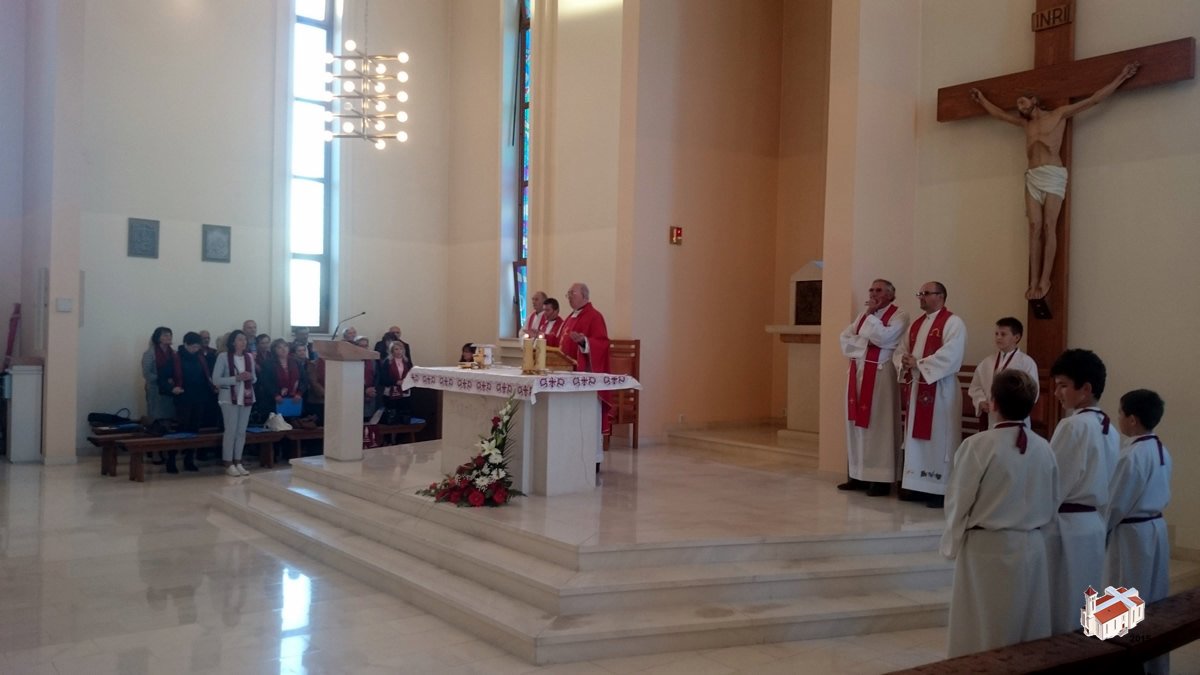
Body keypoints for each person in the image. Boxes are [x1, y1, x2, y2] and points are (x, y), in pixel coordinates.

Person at [970, 62, 1140, 300]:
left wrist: (1120, 77)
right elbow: (999, 115)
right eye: (1018, 104)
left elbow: (1093, 100)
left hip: (1053, 174)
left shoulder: (1059, 114)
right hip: (1032, 177)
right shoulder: (1025, 124)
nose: (1019, 106)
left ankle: (1045, 279)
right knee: (1034, 227)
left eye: (1022, 101)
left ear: (1034, 100)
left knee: (1050, 226)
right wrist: (982, 100)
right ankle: (1033, 280)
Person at [942, 370, 1058, 657]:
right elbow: (1053, 501)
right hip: (1031, 547)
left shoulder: (978, 446)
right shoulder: (1044, 448)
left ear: (992, 402)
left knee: (985, 628)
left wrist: (951, 542)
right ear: (1032, 405)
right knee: (1026, 629)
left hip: (987, 550)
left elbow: (959, 499)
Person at [1044, 348, 1119, 635]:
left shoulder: (1073, 425)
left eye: (1063, 385)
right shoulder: (1109, 428)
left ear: (1086, 389)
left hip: (1067, 528)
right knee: (1085, 602)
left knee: (1062, 606)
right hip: (1093, 525)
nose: (1057, 393)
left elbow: (1054, 483)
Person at [1105, 389, 1171, 675]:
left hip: (1131, 536)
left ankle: (1123, 665)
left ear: (1132, 419)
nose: (1118, 418)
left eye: (1120, 413)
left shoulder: (1131, 456)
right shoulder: (1161, 449)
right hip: (1155, 529)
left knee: (1123, 596)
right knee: (1153, 599)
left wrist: (1101, 530)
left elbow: (1115, 504)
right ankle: (1153, 665)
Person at [893, 281, 966, 508]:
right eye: (920, 293)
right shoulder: (916, 325)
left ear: (940, 296)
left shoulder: (953, 322)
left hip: (941, 390)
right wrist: (904, 361)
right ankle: (917, 485)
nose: (921, 297)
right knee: (916, 439)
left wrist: (920, 363)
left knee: (940, 438)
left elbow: (952, 354)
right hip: (918, 388)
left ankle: (940, 489)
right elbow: (901, 350)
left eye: (925, 293)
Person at [838, 279, 909, 497]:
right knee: (856, 425)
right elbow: (844, 340)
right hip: (858, 374)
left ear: (891, 295)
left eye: (879, 290)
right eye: (871, 289)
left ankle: (880, 479)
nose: (873, 293)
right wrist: (867, 339)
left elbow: (884, 337)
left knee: (879, 425)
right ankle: (858, 475)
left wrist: (867, 333)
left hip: (880, 375)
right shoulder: (863, 315)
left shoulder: (899, 315)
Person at [559, 282, 611, 461]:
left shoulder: (594, 316)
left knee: (587, 420)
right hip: (566, 373)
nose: (569, 297)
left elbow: (602, 344)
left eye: (572, 293)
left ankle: (591, 459)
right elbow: (560, 342)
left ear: (585, 296)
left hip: (585, 379)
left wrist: (584, 342)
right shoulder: (570, 317)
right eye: (568, 294)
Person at [967, 317, 1040, 429]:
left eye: (1003, 334)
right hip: (992, 416)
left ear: (1016, 337)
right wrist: (980, 401)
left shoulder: (1026, 363)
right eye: (996, 334)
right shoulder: (986, 362)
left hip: (1015, 418)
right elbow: (975, 387)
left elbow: (1033, 392)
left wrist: (1010, 407)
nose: (998, 337)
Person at [211, 330, 257, 477]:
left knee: (241, 431)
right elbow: (216, 379)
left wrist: (249, 377)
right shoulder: (223, 357)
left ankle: (238, 461)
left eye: (244, 339)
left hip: (247, 397)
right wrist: (236, 378)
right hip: (229, 398)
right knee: (231, 430)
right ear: (232, 342)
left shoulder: (249, 357)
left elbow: (254, 378)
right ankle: (228, 462)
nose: (243, 342)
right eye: (239, 339)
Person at [172, 332, 209, 472]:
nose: (195, 349)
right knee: (181, 428)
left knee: (194, 429)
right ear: (185, 344)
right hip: (183, 398)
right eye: (193, 346)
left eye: (197, 347)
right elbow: (165, 377)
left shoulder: (200, 358)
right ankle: (171, 459)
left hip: (198, 397)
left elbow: (205, 376)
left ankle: (189, 459)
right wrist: (172, 388)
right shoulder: (176, 357)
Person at [141, 327, 182, 421]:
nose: (169, 337)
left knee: (169, 416)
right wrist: (163, 379)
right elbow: (147, 374)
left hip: (170, 389)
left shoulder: (174, 353)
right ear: (158, 338)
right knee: (157, 417)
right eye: (165, 335)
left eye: (170, 335)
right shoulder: (149, 353)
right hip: (155, 389)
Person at [258, 338, 306, 419]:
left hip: (294, 398)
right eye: (279, 347)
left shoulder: (296, 362)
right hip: (273, 400)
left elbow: (304, 379)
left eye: (285, 346)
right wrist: (275, 394)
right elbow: (266, 382)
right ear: (274, 350)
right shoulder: (268, 363)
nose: (283, 349)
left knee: (292, 422)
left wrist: (299, 393)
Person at [377, 341, 413, 424]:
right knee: (392, 415)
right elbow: (383, 378)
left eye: (401, 349)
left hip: (404, 391)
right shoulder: (387, 362)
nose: (399, 351)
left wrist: (406, 381)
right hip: (391, 390)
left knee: (404, 412)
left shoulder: (407, 361)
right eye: (396, 349)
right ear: (392, 351)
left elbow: (412, 374)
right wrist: (396, 382)